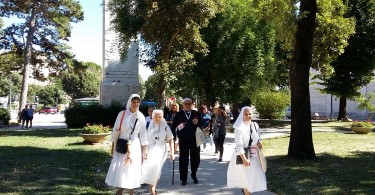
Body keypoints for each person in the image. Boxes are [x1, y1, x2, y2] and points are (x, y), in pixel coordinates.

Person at [105, 94, 149, 195]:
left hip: (135, 146)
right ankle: (120, 191)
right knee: (121, 169)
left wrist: (145, 150)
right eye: (134, 102)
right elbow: (116, 130)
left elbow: (143, 135)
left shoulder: (141, 116)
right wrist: (113, 146)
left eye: (138, 102)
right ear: (130, 102)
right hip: (122, 144)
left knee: (132, 170)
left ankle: (131, 193)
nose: (136, 104)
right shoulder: (122, 114)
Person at [227, 106, 267, 194]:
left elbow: (258, 138)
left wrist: (259, 143)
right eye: (246, 114)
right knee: (245, 180)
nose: (248, 116)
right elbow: (239, 145)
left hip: (254, 156)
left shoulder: (255, 125)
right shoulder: (239, 128)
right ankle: (246, 192)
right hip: (244, 155)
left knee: (252, 179)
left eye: (249, 114)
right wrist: (244, 159)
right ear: (242, 115)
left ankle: (247, 192)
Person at [141, 109, 175, 195]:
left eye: (160, 117)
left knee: (158, 171)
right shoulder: (147, 125)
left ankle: (153, 188)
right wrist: (144, 152)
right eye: (156, 116)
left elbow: (170, 139)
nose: (158, 118)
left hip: (161, 151)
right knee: (152, 169)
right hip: (149, 150)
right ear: (152, 116)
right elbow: (143, 140)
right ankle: (152, 190)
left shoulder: (165, 126)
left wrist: (172, 152)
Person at [171, 98, 202, 186]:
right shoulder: (178, 114)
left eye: (189, 104)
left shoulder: (196, 113)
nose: (188, 105)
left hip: (195, 140)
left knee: (196, 159)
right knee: (183, 160)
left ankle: (194, 174)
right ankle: (183, 178)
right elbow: (173, 127)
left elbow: (201, 124)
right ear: (183, 105)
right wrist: (173, 137)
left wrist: (198, 122)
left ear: (192, 105)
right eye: (186, 104)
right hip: (183, 140)